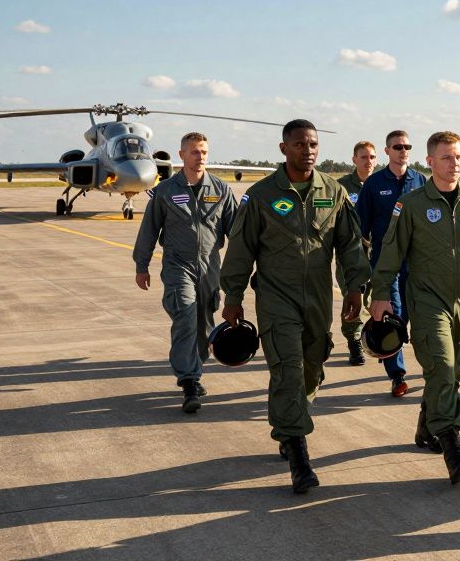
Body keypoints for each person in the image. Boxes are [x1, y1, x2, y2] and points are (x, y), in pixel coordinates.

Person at [219, 119, 369, 494]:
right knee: (287, 369)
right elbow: (241, 249)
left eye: (313, 144)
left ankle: (289, 426)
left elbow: (350, 244)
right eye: (300, 144)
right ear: (284, 148)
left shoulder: (332, 192)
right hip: (276, 296)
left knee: (311, 370)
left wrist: (355, 287)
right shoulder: (261, 195)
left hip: (318, 297)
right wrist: (233, 296)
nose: (308, 150)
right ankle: (299, 458)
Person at [368, 131, 460, 484]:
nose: (454, 164)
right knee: (444, 368)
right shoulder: (412, 204)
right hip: (427, 300)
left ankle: (425, 425)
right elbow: (391, 250)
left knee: (452, 373)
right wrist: (380, 293)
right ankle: (453, 450)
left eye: (459, 157)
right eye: (447, 158)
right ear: (430, 161)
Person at [134, 132, 236, 413]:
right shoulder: (166, 191)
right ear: (181, 155)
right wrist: (142, 265)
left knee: (204, 323)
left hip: (210, 267)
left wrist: (250, 266)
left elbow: (237, 232)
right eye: (194, 152)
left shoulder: (221, 189)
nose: (200, 156)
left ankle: (196, 367)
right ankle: (189, 380)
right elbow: (149, 229)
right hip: (178, 265)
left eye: (204, 151)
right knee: (185, 316)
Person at [355, 130, 427, 397]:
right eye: (398, 147)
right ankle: (397, 376)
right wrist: (362, 268)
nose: (403, 151)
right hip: (386, 266)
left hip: (416, 265)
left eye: (407, 146)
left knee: (416, 316)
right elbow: (360, 228)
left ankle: (431, 368)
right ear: (387, 151)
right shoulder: (374, 184)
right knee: (391, 317)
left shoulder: (421, 181)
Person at [334, 140, 379, 365]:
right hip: (351, 255)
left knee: (375, 298)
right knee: (353, 297)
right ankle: (353, 342)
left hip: (377, 254)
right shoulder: (341, 187)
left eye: (372, 157)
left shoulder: (381, 184)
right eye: (363, 157)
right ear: (354, 160)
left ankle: (373, 338)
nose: (368, 161)